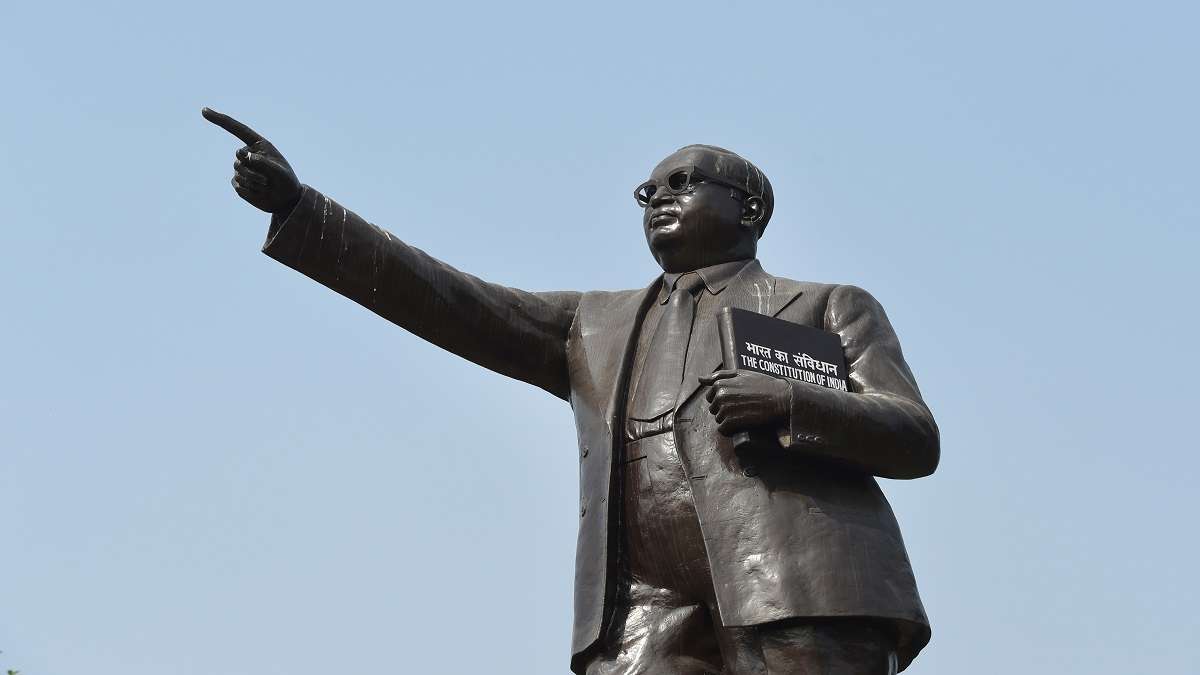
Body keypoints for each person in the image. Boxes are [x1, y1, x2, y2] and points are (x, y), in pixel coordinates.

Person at [204, 107, 940, 674]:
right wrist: (302, 209)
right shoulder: (595, 323)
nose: (657, 198)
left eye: (683, 183)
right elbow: (450, 299)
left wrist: (790, 404)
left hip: (795, 586)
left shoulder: (822, 305)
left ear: (750, 208)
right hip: (640, 602)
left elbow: (912, 432)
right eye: (647, 190)